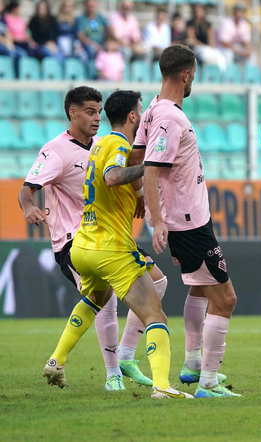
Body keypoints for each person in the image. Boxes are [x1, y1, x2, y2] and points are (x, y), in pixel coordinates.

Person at [41, 89, 193, 400]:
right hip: (111, 249)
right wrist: (152, 167)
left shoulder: (100, 145)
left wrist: (138, 193)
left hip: (85, 246)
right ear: (134, 116)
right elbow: (112, 177)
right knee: (156, 315)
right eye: (142, 112)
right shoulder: (116, 143)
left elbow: (111, 175)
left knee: (96, 299)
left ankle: (56, 361)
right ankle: (161, 386)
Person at [18, 86, 165, 391]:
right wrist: (29, 206)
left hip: (106, 234)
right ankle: (113, 376)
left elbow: (120, 171)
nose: (96, 117)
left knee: (156, 282)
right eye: (89, 111)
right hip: (73, 239)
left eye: (99, 111)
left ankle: (122, 356)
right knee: (105, 301)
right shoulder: (55, 150)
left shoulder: (102, 144)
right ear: (72, 113)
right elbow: (27, 187)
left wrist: (138, 193)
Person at [137, 44, 240, 398]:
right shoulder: (169, 117)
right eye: (194, 74)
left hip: (188, 218)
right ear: (187, 74)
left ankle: (193, 365)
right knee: (225, 299)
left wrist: (144, 203)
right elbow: (150, 169)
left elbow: (136, 157)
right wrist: (158, 221)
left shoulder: (152, 110)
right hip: (187, 222)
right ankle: (208, 383)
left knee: (199, 287)